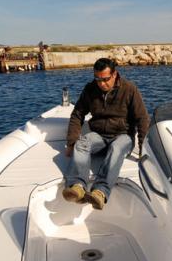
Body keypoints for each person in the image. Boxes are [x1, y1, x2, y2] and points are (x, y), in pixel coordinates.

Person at [62, 57, 149, 210]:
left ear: (114, 74)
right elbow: (77, 114)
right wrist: (71, 143)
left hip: (123, 135)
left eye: (105, 79)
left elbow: (142, 119)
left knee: (116, 148)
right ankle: (77, 186)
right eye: (97, 79)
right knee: (82, 143)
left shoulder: (129, 89)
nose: (101, 83)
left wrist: (144, 150)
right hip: (99, 135)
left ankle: (100, 192)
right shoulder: (90, 89)